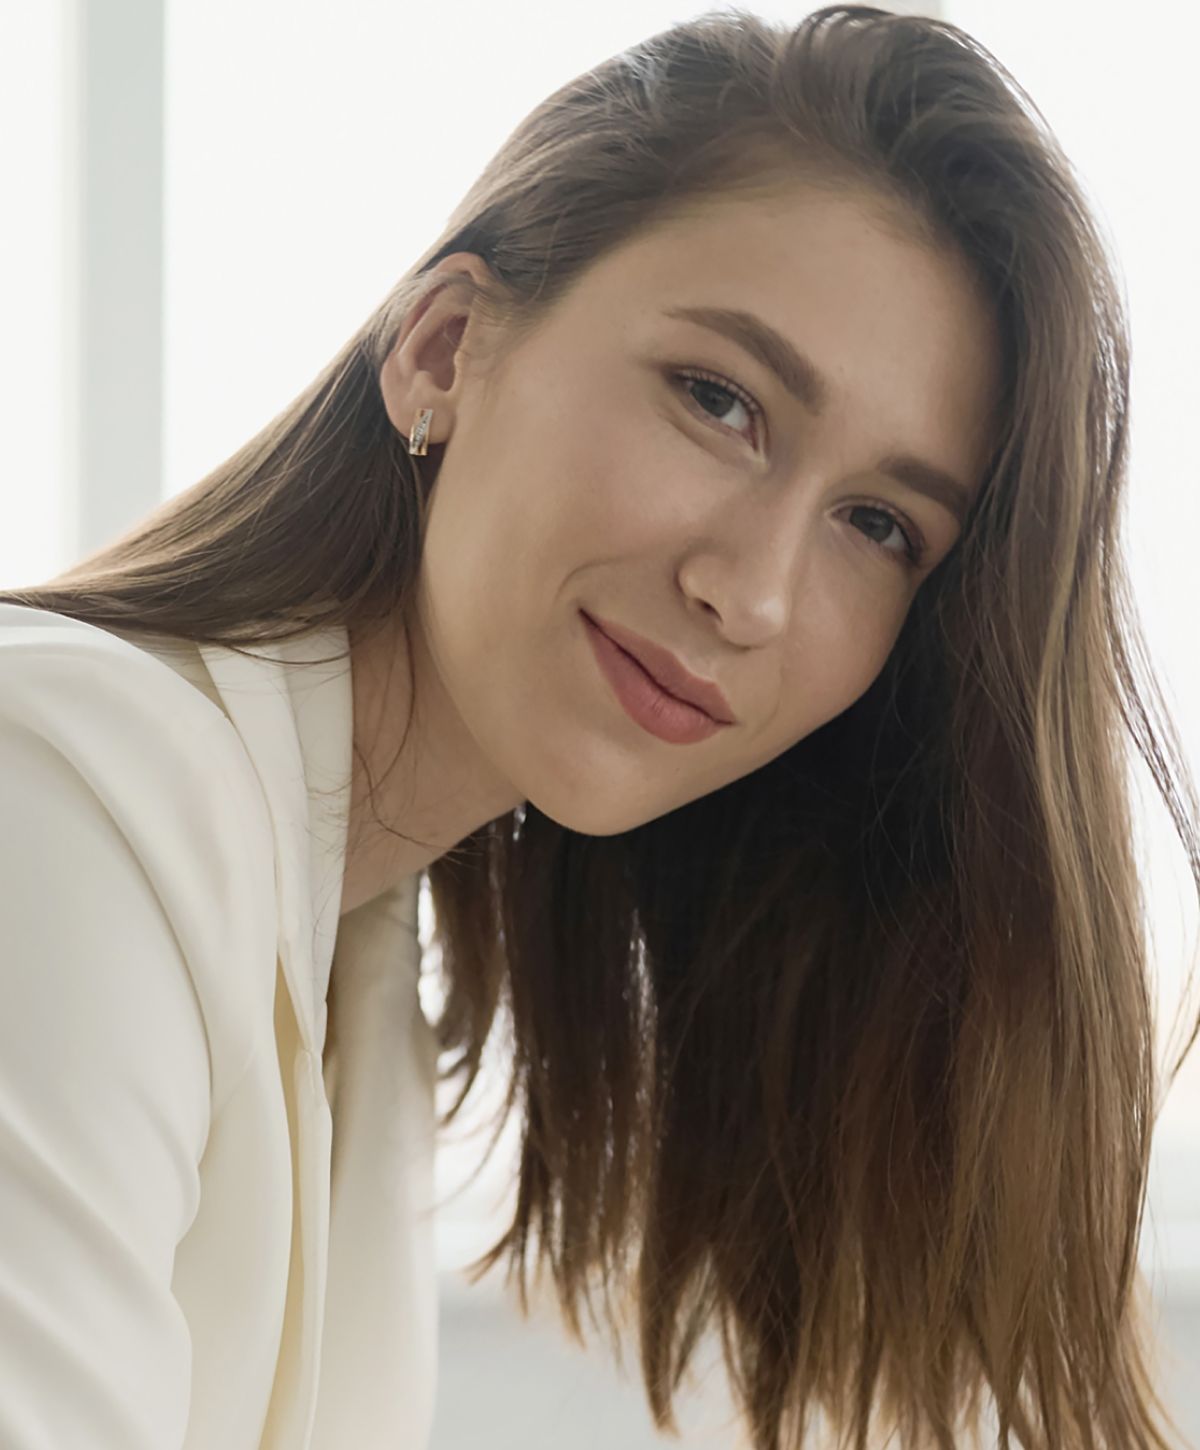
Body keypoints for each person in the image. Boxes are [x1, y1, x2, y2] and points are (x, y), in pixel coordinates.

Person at [1, 4, 1196, 1446]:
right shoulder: (69, 799)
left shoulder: (349, 951)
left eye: (878, 523)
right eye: (719, 400)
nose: (751, 591)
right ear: (442, 348)